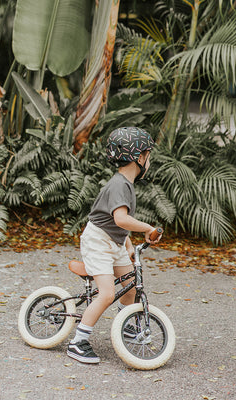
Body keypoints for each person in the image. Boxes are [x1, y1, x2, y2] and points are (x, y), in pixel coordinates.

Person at [67, 126, 162, 364]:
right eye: (148, 156)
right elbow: (120, 219)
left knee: (131, 287)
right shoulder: (119, 184)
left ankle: (125, 325)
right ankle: (78, 342)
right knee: (108, 294)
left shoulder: (125, 183)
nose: (149, 161)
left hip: (113, 241)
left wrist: (128, 244)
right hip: (98, 242)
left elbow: (116, 222)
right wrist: (147, 228)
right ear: (139, 157)